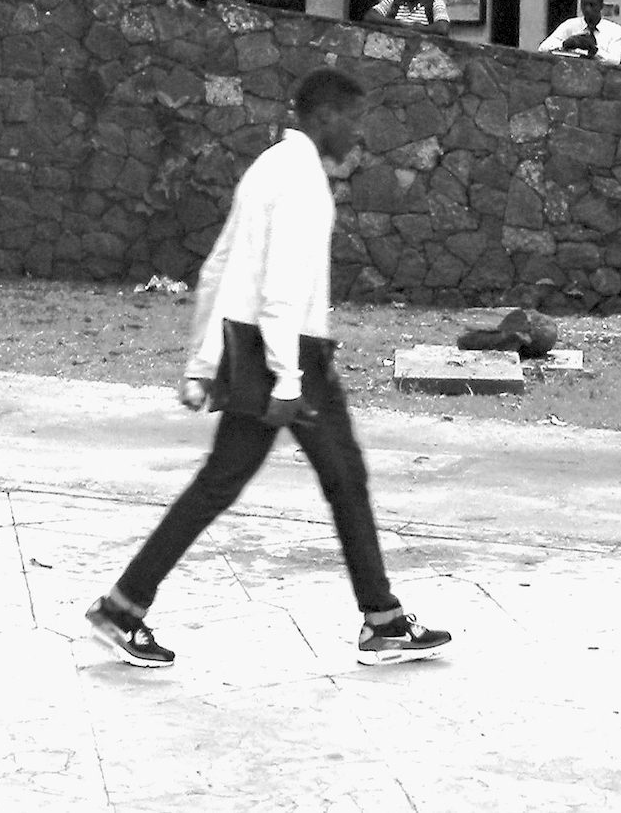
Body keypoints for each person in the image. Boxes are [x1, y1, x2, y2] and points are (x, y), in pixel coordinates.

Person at [85, 67, 451, 669]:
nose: (358, 135)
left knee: (241, 481)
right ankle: (382, 622)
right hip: (291, 355)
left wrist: (202, 364)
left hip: (261, 349)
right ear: (325, 116)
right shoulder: (302, 179)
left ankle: (123, 608)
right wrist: (287, 378)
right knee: (340, 478)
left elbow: (219, 268)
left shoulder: (268, 168)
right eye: (353, 121)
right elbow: (280, 289)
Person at [539, 0, 621, 63]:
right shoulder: (571, 25)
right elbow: (543, 48)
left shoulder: (614, 30)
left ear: (601, 6)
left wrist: (594, 51)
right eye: (584, 5)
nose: (587, 9)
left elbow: (615, 60)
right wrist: (565, 44)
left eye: (592, 5)